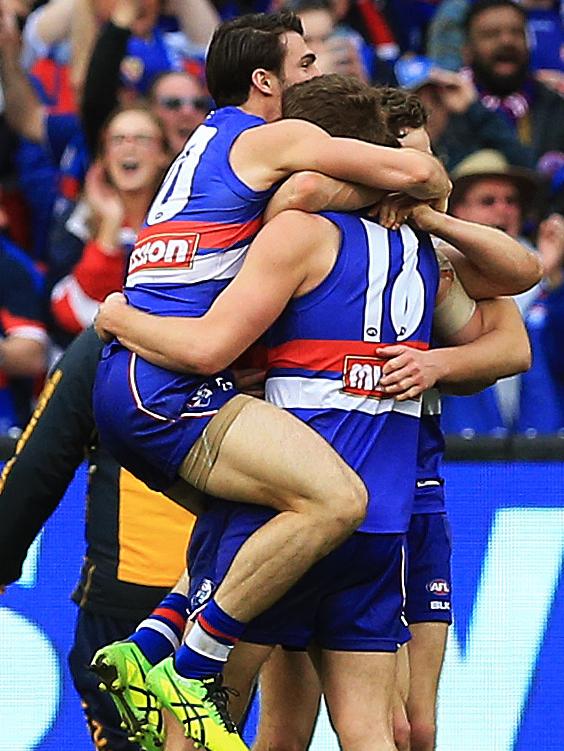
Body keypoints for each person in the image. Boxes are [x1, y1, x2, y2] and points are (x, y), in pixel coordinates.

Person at [95, 74, 537, 751]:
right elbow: (521, 277)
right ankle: (161, 635)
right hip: (378, 516)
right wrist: (424, 203)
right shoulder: (419, 256)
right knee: (358, 729)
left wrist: (122, 316)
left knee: (220, 719)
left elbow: (213, 341)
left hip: (301, 505)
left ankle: (163, 639)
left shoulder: (304, 234)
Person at [0, 327, 195, 751]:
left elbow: (39, 464)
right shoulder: (270, 330)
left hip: (129, 600)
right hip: (233, 596)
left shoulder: (114, 336)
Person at [462, 0, 564, 163]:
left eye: (516, 32)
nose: (506, 41)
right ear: (467, 50)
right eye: (491, 34)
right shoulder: (450, 110)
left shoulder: (554, 106)